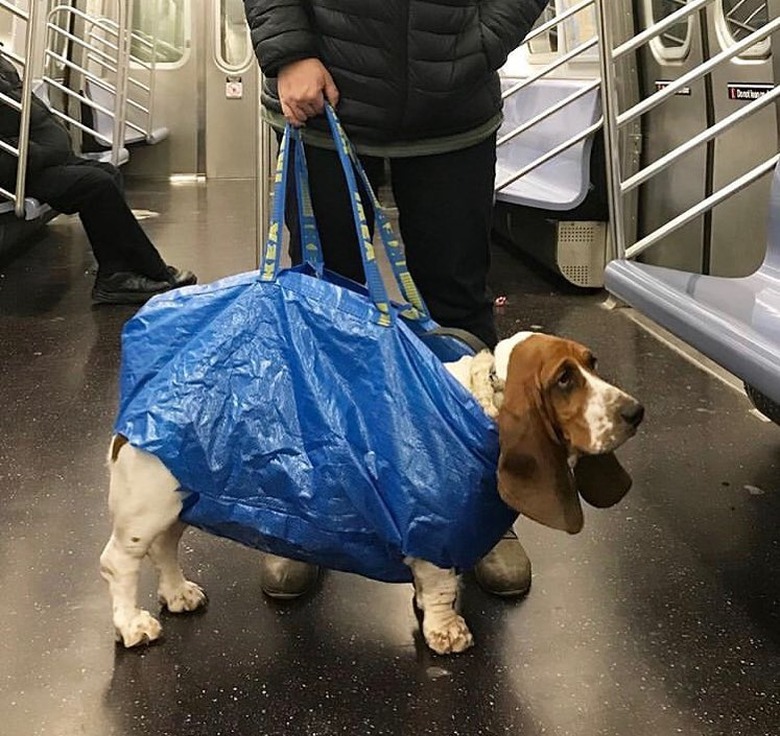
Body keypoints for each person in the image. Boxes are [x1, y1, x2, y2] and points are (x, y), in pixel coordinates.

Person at [244, 0, 549, 600]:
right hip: (322, 97)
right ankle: (313, 514)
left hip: (453, 107)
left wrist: (478, 42)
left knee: (458, 308)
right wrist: (290, 52)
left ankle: (482, 509)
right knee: (322, 309)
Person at [0, 53, 196, 304]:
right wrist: (41, 151)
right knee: (96, 185)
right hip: (20, 171)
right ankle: (145, 271)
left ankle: (121, 269)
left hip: (42, 160)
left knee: (108, 174)